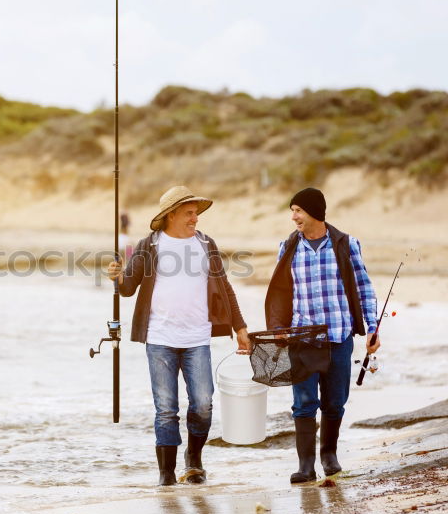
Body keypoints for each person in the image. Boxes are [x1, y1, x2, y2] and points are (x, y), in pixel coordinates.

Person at [107, 186, 250, 486]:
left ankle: (194, 459)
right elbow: (128, 288)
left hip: (197, 337)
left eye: (196, 212)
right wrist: (117, 276)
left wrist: (240, 328)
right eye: (189, 212)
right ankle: (166, 474)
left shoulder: (206, 244)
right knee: (166, 409)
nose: (195, 218)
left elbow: (225, 289)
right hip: (159, 338)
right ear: (171, 215)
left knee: (203, 403)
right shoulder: (150, 245)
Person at [264, 187, 379, 483]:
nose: (293, 217)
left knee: (334, 402)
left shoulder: (346, 244)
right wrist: (278, 329)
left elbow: (364, 288)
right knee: (303, 404)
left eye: (298, 211)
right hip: (302, 340)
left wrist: (372, 327)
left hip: (339, 337)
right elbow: (279, 292)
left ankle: (329, 454)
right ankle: (305, 465)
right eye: (292, 211)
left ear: (314, 211)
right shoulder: (287, 247)